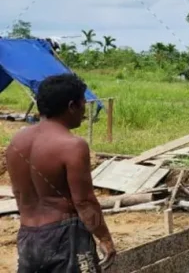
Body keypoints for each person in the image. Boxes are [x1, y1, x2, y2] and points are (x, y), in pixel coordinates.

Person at [6, 73, 115, 272]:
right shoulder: (72, 146)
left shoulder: (16, 142)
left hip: (28, 237)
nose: (84, 110)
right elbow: (84, 201)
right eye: (83, 104)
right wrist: (105, 238)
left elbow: (19, 194)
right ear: (72, 106)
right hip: (65, 237)